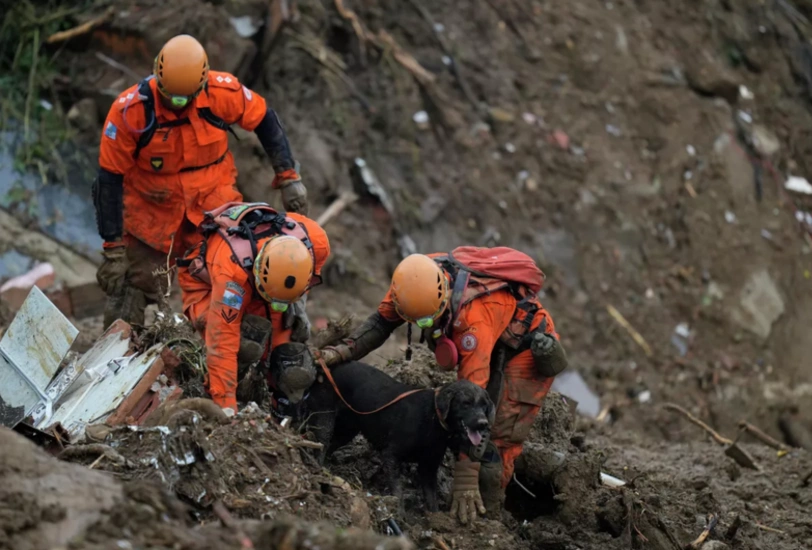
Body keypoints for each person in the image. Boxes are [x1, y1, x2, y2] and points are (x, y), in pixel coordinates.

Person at [317, 247, 569, 524]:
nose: (423, 325)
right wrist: (339, 353)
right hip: (488, 330)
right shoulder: (411, 282)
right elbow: (379, 325)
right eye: (415, 322)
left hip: (525, 348)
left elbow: (472, 393)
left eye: (427, 321)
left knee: (497, 436)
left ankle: (489, 518)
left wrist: (466, 479)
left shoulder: (474, 317)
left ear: (444, 298)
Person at [93, 34, 308, 328]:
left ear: (201, 85)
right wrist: (113, 248)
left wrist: (288, 177)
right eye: (170, 97)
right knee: (131, 287)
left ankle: (251, 338)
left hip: (214, 205)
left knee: (237, 273)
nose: (177, 104)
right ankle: (118, 348)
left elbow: (265, 120)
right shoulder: (130, 112)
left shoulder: (223, 93)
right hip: (152, 212)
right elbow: (108, 179)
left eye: (184, 99)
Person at [178, 202, 330, 415]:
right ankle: (223, 390)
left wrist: (298, 304)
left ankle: (281, 410)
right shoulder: (232, 277)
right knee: (246, 343)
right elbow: (222, 344)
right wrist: (225, 409)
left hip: (269, 290)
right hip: (208, 286)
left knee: (289, 363)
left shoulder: (317, 243)